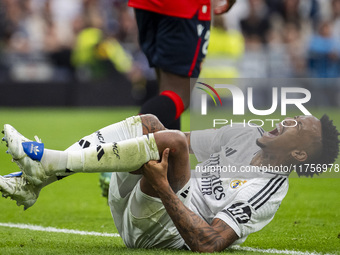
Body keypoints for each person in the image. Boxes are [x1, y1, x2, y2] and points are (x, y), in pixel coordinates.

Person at [0, 114, 339, 252]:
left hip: (160, 231)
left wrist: (163, 187)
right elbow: (168, 138)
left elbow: (208, 244)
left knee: (172, 143)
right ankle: (38, 181)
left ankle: (48, 163)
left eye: (296, 127)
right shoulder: (247, 135)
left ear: (298, 153)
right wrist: (155, 149)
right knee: (150, 124)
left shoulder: (268, 190)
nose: (285, 121)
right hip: (141, 202)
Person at [129, 0, 237, 130]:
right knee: (179, 95)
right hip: (184, 8)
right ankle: (115, 140)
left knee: (166, 90)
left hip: (144, 5)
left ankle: (175, 148)